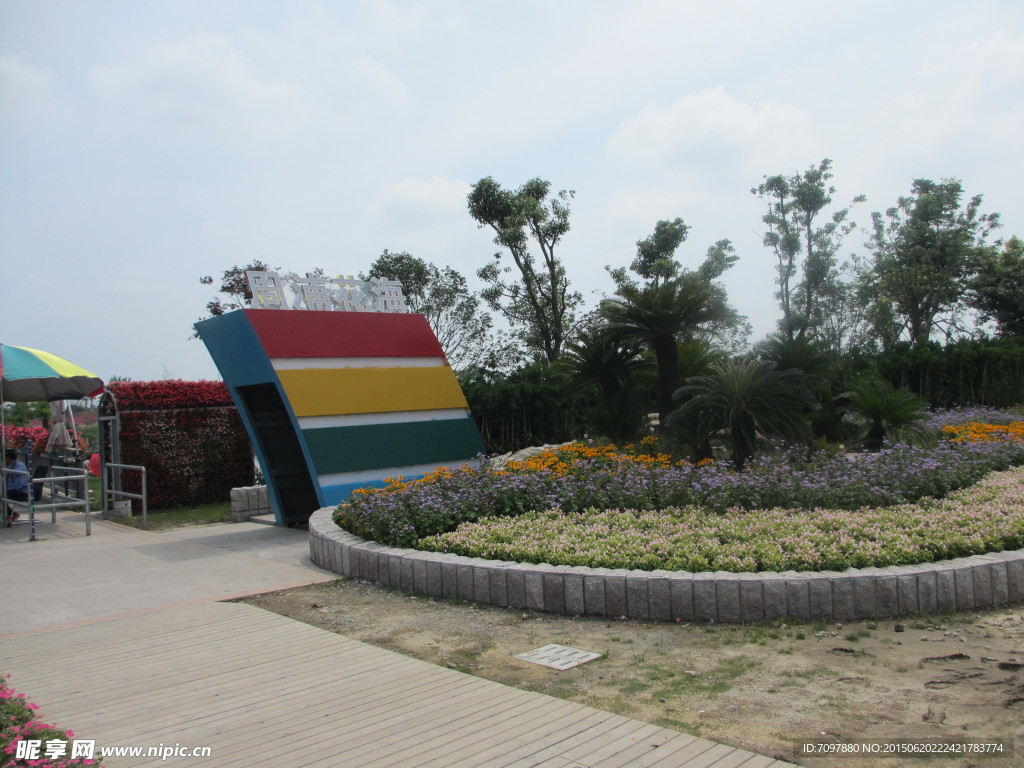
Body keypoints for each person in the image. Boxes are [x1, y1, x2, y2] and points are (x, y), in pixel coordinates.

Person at [4, 449, 29, 526]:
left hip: (21, 491)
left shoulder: (19, 465)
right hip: (14, 489)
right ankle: (9, 514)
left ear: (9, 458)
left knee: (2, 496)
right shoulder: (10, 465)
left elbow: (16, 474)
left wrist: (3, 470)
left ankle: (11, 514)